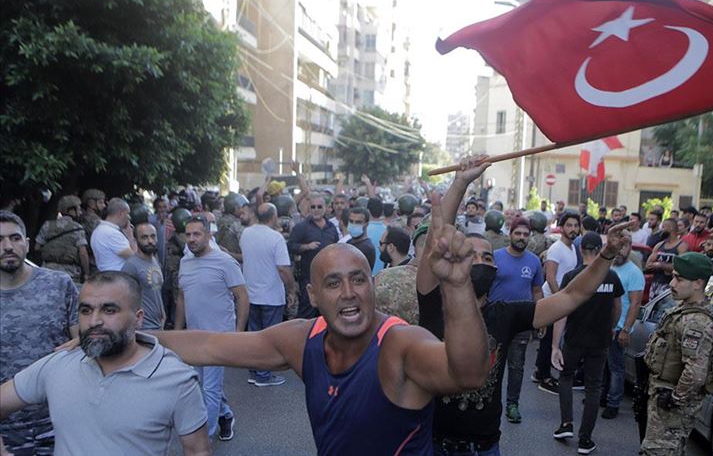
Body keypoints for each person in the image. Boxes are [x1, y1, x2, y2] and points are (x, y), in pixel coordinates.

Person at [149, 193, 491, 455]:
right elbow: (209, 345)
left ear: (372, 287)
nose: (348, 293)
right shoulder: (301, 340)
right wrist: (132, 337)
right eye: (332, 283)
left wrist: (458, 285)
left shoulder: (400, 344)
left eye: (358, 280)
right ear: (313, 296)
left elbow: (469, 374)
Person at [416, 156, 634, 455]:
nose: (480, 261)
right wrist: (462, 181)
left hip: (484, 448)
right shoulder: (433, 303)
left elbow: (571, 296)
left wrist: (606, 254)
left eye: (488, 257)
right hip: (435, 445)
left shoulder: (506, 313)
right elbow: (436, 236)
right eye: (471, 254)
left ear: (496, 271)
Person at [0, 272, 209, 455]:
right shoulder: (57, 364)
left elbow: (197, 450)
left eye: (109, 310)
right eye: (86, 311)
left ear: (138, 319)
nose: (94, 322)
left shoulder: (176, 378)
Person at [0, 211, 79, 454]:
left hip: (61, 422)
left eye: (15, 238)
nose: (7, 246)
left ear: (27, 243)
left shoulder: (59, 284)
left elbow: (81, 341)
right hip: (7, 430)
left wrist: (81, 342)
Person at [640, 253, 713, 455]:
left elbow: (695, 372)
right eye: (673, 276)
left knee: (659, 451)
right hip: (662, 395)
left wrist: (674, 398)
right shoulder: (683, 310)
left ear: (698, 283)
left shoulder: (697, 323)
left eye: (679, 279)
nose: (672, 283)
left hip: (672, 405)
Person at [176, 215, 249, 441]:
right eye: (188, 234)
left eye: (197, 234)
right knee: (199, 386)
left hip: (219, 337)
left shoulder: (225, 261)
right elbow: (181, 298)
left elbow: (242, 297)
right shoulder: (184, 262)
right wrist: (178, 333)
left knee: (209, 389)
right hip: (193, 337)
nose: (191, 239)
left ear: (209, 235)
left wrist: (238, 333)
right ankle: (225, 415)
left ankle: (202, 442)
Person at [551, 232, 623, 454]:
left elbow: (562, 311)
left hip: (574, 338)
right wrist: (610, 328)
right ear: (600, 250)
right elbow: (617, 307)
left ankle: (566, 424)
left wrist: (555, 346)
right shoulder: (611, 277)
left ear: (581, 250)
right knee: (593, 387)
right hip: (600, 341)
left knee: (565, 377)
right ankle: (585, 439)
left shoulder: (573, 276)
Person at [488, 217, 544, 424]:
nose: (521, 238)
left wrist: (540, 320)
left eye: (525, 234)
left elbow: (537, 291)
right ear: (510, 235)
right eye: (517, 233)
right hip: (496, 320)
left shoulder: (534, 261)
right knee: (490, 365)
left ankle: (512, 404)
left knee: (517, 366)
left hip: (521, 322)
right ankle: (487, 403)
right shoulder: (495, 257)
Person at [240, 203, 296, 387]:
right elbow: (283, 269)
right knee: (270, 338)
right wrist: (291, 289)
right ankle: (264, 375)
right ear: (274, 217)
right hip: (271, 296)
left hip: (251, 294)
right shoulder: (276, 238)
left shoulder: (246, 233)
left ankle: (254, 371)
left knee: (254, 335)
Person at [535, 211, 583, 395]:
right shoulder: (556, 248)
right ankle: (544, 376)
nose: (572, 229)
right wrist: (561, 298)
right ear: (562, 228)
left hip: (562, 298)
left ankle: (541, 371)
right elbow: (551, 277)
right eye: (569, 225)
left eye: (575, 226)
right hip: (552, 298)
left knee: (551, 337)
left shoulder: (572, 248)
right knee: (548, 338)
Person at [603, 233, 645, 419]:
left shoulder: (634, 272)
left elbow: (635, 304)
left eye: (624, 246)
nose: (620, 250)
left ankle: (613, 403)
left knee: (616, 368)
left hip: (619, 328)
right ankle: (602, 397)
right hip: (603, 326)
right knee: (602, 365)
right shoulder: (605, 266)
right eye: (617, 245)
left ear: (630, 248)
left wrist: (625, 330)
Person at [287, 193, 340, 319]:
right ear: (309, 209)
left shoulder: (331, 227)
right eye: (313, 207)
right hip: (308, 278)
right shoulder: (301, 227)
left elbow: (337, 245)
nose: (316, 210)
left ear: (326, 208)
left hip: (329, 277)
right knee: (307, 312)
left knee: (328, 311)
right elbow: (290, 246)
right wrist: (306, 247)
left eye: (319, 207)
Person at [374, 225, 427, 325]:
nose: (379, 247)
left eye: (381, 244)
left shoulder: (386, 277)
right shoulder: (387, 270)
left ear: (390, 247)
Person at [34, 195, 89, 283]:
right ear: (71, 210)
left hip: (47, 270)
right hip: (69, 273)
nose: (80, 212)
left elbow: (37, 247)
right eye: (78, 209)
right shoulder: (77, 228)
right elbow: (83, 253)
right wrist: (86, 273)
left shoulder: (47, 225)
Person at [121, 223, 165, 329]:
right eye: (144, 237)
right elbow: (123, 298)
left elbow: (156, 292)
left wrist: (163, 315)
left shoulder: (155, 261)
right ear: (136, 240)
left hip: (159, 325)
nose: (150, 241)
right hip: (143, 327)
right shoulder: (131, 265)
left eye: (153, 236)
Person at [646, 218, 688, 300]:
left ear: (670, 228)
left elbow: (681, 267)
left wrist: (661, 265)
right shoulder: (659, 245)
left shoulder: (682, 246)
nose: (661, 229)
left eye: (663, 227)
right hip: (655, 284)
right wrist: (660, 266)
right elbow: (648, 265)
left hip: (671, 285)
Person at [90, 198, 135, 272]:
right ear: (121, 213)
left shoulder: (98, 230)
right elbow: (135, 258)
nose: (129, 217)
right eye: (128, 213)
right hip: (118, 278)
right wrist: (130, 237)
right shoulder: (112, 233)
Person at [216, 193, 247, 263]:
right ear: (236, 208)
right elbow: (249, 255)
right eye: (242, 207)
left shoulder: (219, 220)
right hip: (235, 264)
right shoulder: (237, 225)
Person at [365, 198, 388, 275]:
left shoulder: (364, 231)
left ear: (368, 211)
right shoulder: (388, 231)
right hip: (384, 276)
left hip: (367, 276)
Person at [149, 197, 171, 267]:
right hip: (155, 252)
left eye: (164, 207)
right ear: (156, 208)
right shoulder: (151, 220)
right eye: (159, 207)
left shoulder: (171, 220)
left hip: (168, 253)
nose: (162, 209)